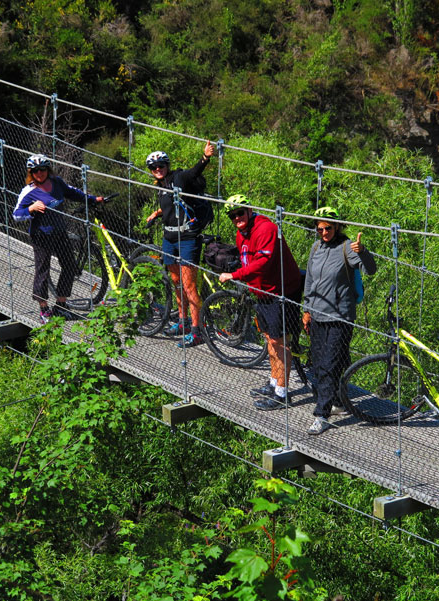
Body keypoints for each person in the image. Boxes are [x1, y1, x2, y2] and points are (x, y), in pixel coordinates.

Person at [218, 195, 302, 410]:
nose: (237, 217)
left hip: (279, 293)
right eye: (232, 215)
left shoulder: (266, 229)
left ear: (249, 210)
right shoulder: (241, 233)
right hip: (262, 293)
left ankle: (282, 394)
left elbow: (262, 262)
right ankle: (274, 383)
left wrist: (235, 275)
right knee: (269, 338)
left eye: (240, 212)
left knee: (279, 343)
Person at [302, 206, 377, 435]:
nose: (324, 232)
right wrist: (306, 309)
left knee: (329, 365)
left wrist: (362, 251)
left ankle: (322, 414)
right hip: (317, 314)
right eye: (320, 228)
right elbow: (310, 279)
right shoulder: (316, 247)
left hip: (339, 317)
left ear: (337, 227)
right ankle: (336, 401)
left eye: (328, 228)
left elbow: (371, 269)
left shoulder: (347, 248)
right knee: (318, 362)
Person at [12, 154, 103, 324]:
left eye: (43, 169)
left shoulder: (57, 183)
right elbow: (16, 215)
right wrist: (31, 208)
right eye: (35, 170)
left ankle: (61, 306)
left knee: (70, 266)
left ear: (48, 170)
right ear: (31, 172)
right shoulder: (29, 191)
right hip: (41, 236)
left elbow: (73, 193)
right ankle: (44, 309)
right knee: (43, 271)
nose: (40, 173)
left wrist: (93, 199)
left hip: (60, 232)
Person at [145, 142, 215, 347]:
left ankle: (197, 331)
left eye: (161, 165)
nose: (157, 169)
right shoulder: (161, 186)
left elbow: (194, 172)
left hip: (187, 239)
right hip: (169, 239)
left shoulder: (178, 178)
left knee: (189, 285)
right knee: (176, 282)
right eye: (153, 167)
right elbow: (170, 206)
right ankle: (183, 322)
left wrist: (205, 157)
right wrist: (157, 213)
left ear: (167, 165)